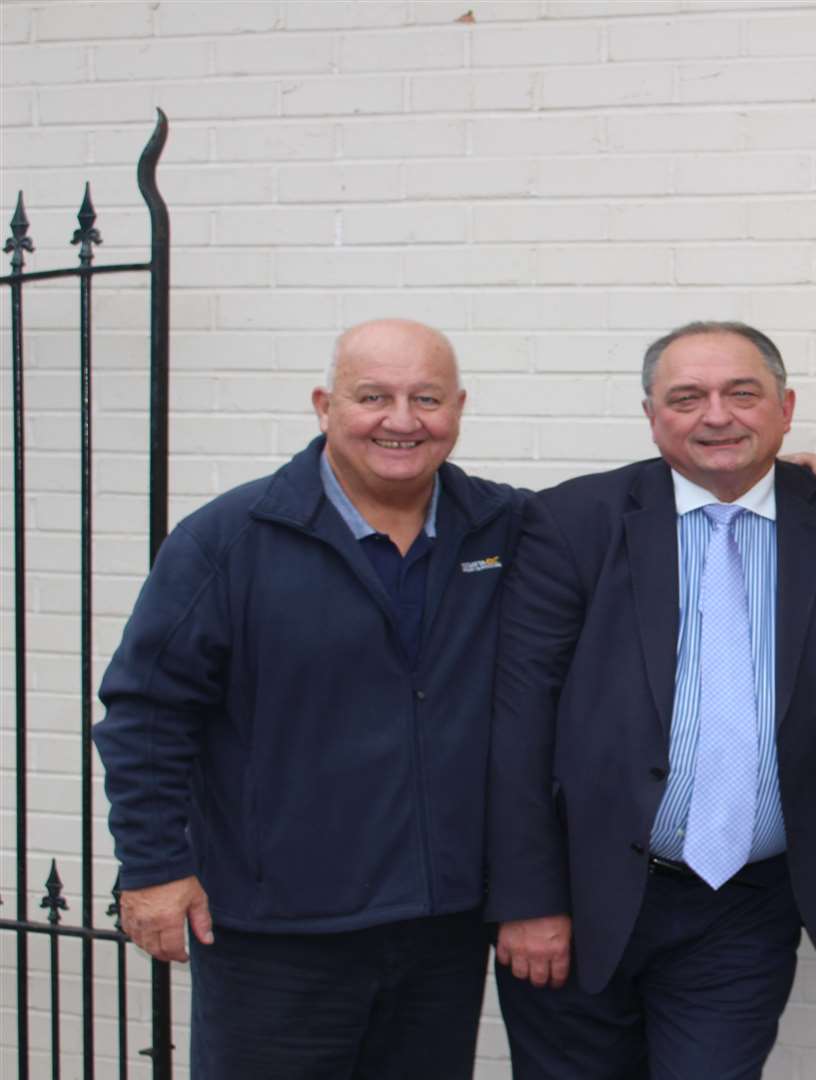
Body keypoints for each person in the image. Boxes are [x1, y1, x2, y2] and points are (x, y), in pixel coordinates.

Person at [487, 320, 816, 1079]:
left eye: (741, 393)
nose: (717, 415)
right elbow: (516, 724)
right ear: (653, 417)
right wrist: (527, 900)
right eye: (687, 398)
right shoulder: (570, 522)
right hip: (580, 899)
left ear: (785, 410)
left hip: (745, 907)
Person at [94, 319, 521, 1078]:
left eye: (426, 397)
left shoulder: (503, 529)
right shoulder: (230, 539)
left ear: (459, 408)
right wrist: (153, 866)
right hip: (274, 934)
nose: (401, 420)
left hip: (441, 929)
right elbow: (146, 711)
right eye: (373, 396)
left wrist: (774, 475)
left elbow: (636, 519)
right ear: (325, 405)